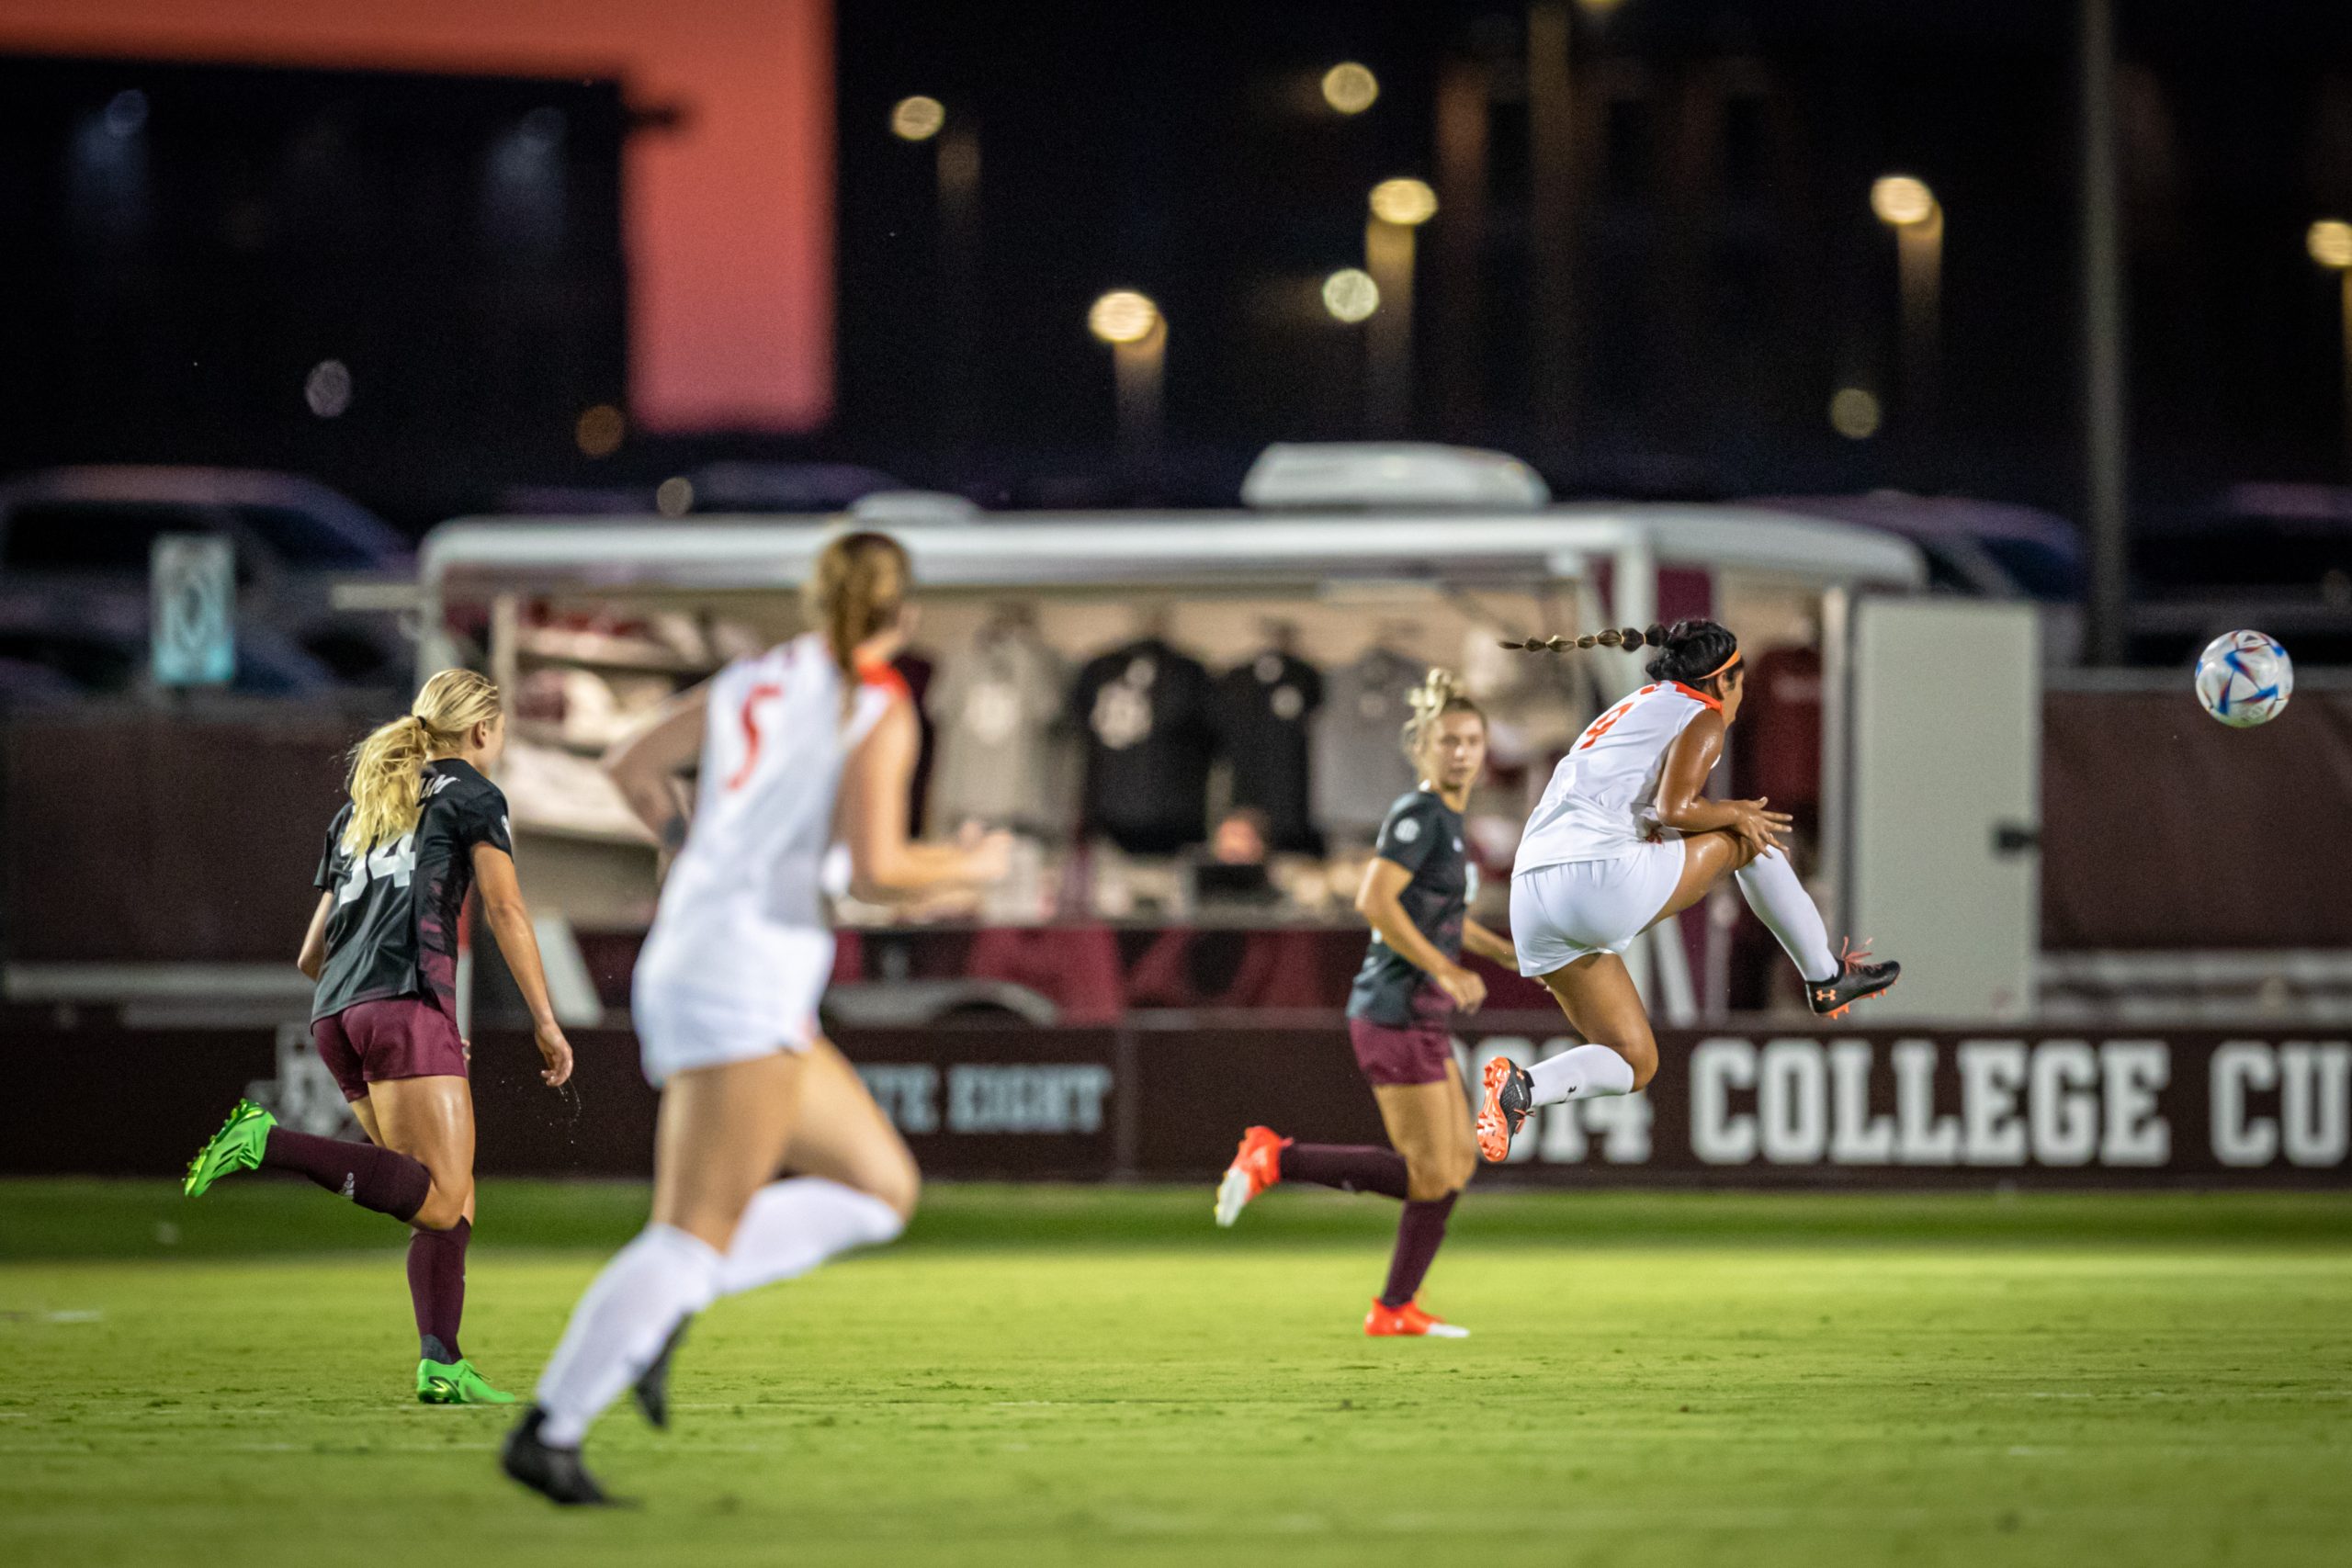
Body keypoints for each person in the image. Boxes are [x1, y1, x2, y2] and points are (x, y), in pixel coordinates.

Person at [501, 531, 1008, 1506]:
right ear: (901, 618)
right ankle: (552, 1428)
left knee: (878, 1189)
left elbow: (630, 765)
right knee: (690, 1233)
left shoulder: (751, 679)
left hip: (717, 960)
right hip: (741, 973)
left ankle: (663, 1311)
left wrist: (695, 851)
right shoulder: (876, 703)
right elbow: (874, 870)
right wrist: (969, 866)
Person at [182, 670, 575, 1405]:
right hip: (402, 1007)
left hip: (337, 1016)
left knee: (452, 1199)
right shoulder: (474, 795)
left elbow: (310, 955)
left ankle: (442, 1361)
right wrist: (546, 1022)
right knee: (437, 1197)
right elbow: (507, 911)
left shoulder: (361, 808)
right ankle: (268, 1140)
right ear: (483, 731)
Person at [1474, 620, 1900, 1161]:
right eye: (1740, 683)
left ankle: (1522, 1089)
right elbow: (1677, 809)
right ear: (1723, 682)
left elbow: (1636, 806)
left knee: (1633, 1059)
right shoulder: (1702, 715)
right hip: (1594, 880)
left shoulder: (1631, 709)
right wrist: (1735, 812)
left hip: (1531, 894)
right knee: (1748, 834)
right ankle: (1826, 977)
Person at [1213, 668, 1513, 1337]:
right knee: (1429, 1171)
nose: (1461, 751)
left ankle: (1394, 1307)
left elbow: (1434, 913)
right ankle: (1274, 1158)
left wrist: (1498, 952)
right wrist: (1445, 967)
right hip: (1393, 1009)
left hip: (1421, 1009)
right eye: (1449, 741)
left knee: (1457, 1162)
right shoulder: (1419, 813)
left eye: (1472, 740)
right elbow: (1374, 899)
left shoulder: (1451, 822)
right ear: (1423, 748)